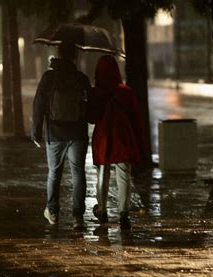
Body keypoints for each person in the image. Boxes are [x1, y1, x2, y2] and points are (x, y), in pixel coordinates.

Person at [31, 43, 92, 230]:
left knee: (54, 173)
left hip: (55, 133)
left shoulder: (49, 77)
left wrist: (36, 131)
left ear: (58, 54)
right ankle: (78, 217)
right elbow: (89, 107)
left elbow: (39, 104)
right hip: (78, 133)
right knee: (78, 173)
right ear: (75, 57)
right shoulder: (81, 78)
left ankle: (53, 212)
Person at [91, 55, 147, 230]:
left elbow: (91, 118)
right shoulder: (126, 92)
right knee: (124, 175)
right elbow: (136, 119)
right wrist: (141, 143)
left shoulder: (96, 92)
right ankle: (123, 213)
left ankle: (102, 210)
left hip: (104, 137)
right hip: (123, 138)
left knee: (103, 172)